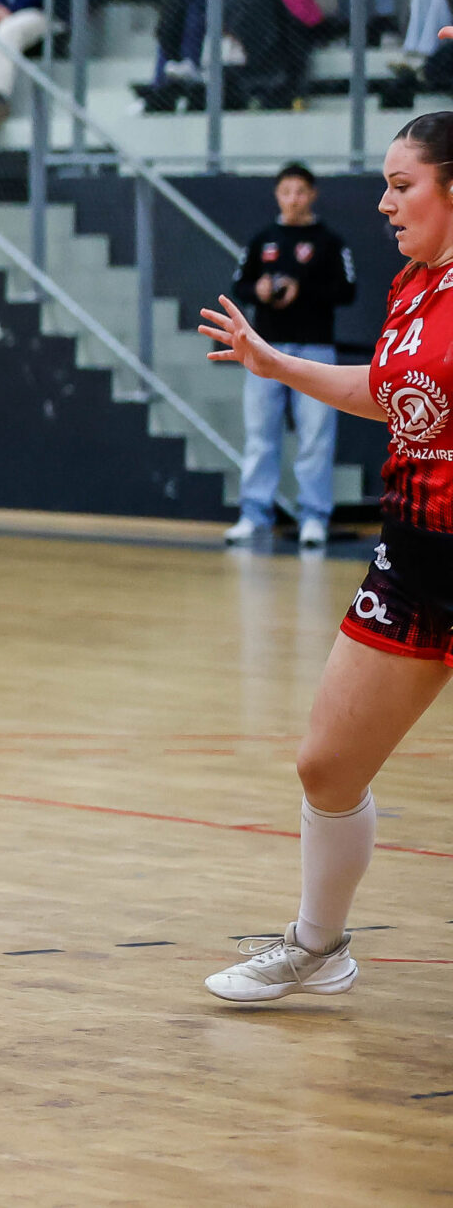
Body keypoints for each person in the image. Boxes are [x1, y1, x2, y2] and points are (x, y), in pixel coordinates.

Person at [197, 93, 453, 1004]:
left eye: (402, 185)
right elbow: (388, 392)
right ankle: (318, 946)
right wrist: (278, 363)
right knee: (327, 764)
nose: (384, 202)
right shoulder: (413, 285)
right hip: (415, 559)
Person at [224, 164, 358, 551]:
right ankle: (254, 514)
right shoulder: (262, 239)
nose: (293, 199)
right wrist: (260, 291)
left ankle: (314, 517)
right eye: (286, 192)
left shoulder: (330, 242)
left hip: (315, 348)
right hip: (265, 349)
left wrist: (304, 289)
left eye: (300, 191)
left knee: (315, 436)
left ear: (312, 194)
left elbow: (347, 290)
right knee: (260, 434)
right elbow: (240, 284)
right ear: (277, 195)